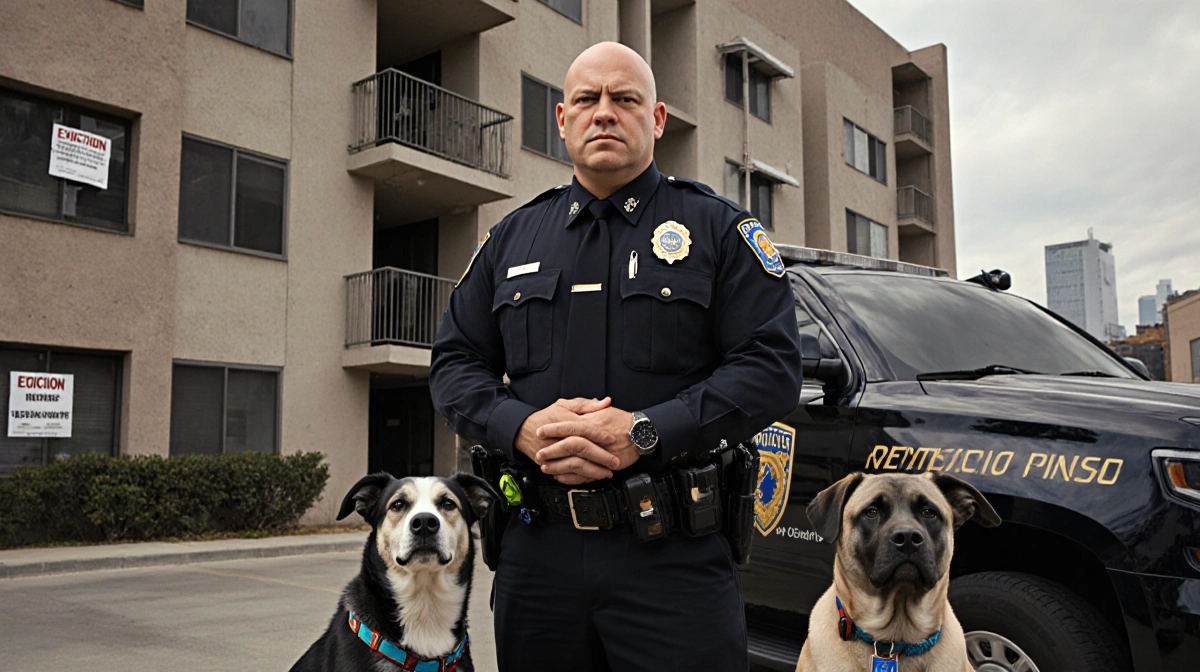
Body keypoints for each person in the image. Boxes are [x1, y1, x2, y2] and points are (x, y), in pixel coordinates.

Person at [429, 42, 802, 671]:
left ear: (656, 119)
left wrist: (645, 432)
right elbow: (453, 363)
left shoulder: (718, 230)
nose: (605, 113)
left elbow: (771, 366)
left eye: (624, 99)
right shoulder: (511, 238)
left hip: (671, 559)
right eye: (587, 100)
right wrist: (519, 425)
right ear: (562, 119)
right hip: (537, 556)